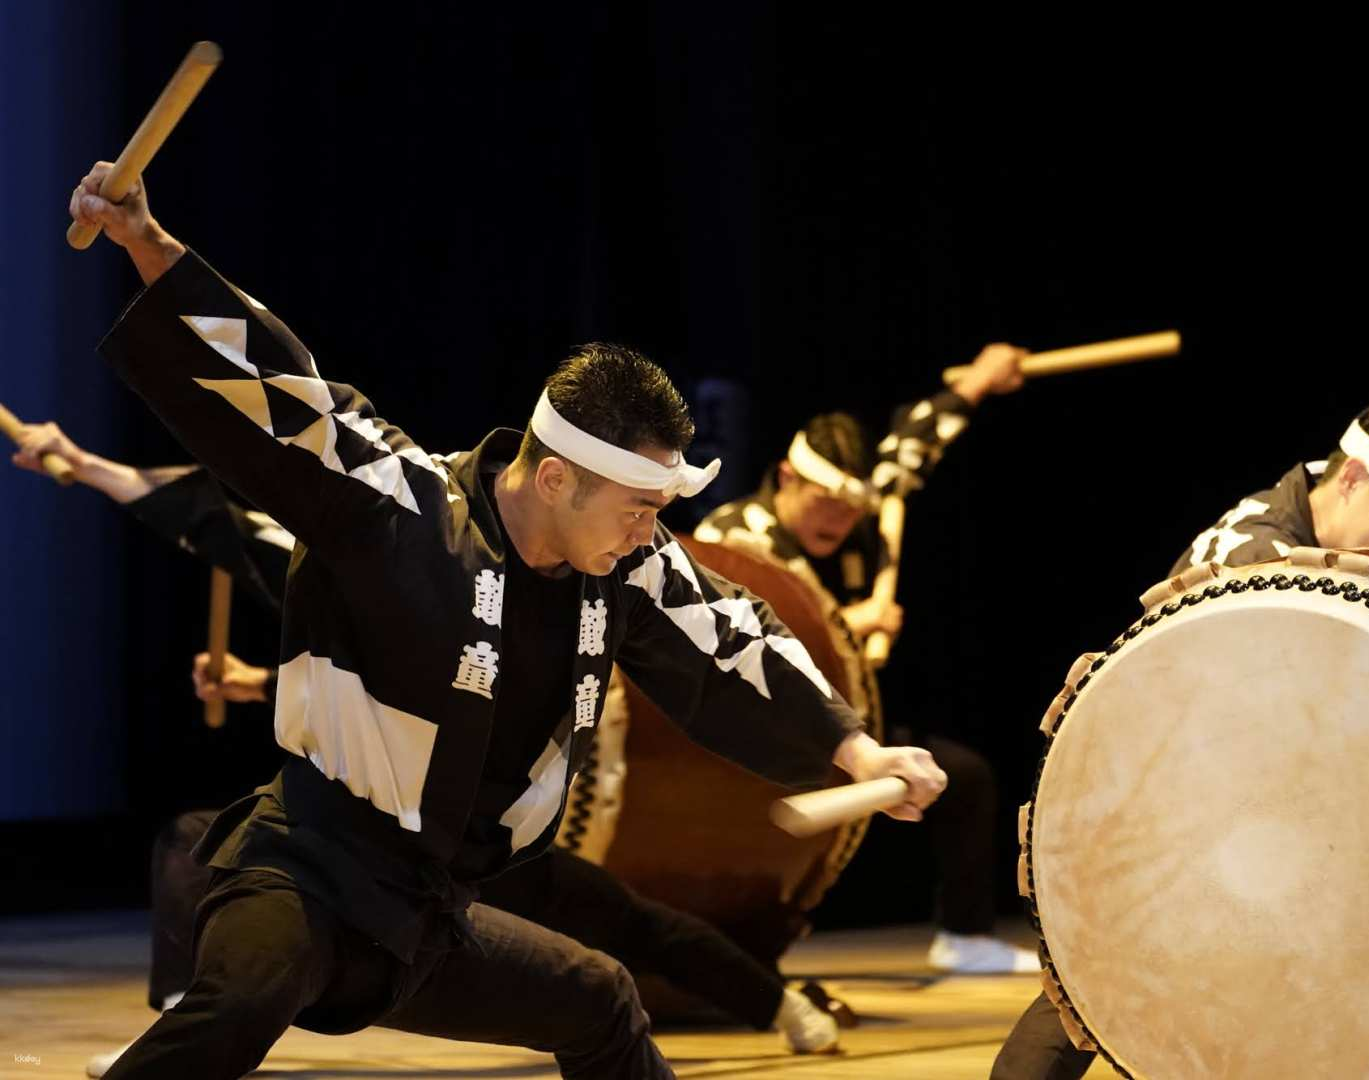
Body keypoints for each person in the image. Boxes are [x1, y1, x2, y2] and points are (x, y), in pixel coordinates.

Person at [68, 161, 946, 1080]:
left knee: (601, 997)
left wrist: (860, 753)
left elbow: (730, 636)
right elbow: (290, 394)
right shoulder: (399, 505)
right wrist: (147, 242)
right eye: (637, 504)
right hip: (309, 871)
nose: (653, 529)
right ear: (557, 477)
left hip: (434, 909)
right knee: (242, 997)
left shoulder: (630, 561)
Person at [7, 424, 846, 1076]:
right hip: (361, 838)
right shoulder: (374, 540)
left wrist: (848, 740)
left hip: (481, 837)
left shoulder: (548, 568)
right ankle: (190, 1037)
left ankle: (773, 1001)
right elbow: (238, 535)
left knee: (611, 955)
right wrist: (88, 466)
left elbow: (469, 680)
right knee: (231, 943)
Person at [989, 358, 1369, 1079]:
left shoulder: (1321, 495)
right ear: (1352, 481)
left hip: (1231, 782)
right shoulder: (1263, 570)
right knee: (1113, 984)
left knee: (1112, 986)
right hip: (1172, 799)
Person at [697, 344, 1040, 973]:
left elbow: (910, 450)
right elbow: (744, 645)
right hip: (752, 740)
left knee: (964, 778)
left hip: (840, 730)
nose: (841, 516)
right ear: (786, 476)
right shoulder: (734, 541)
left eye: (852, 504)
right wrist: (855, 625)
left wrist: (981, 383)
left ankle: (964, 935)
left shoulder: (860, 520)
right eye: (826, 499)